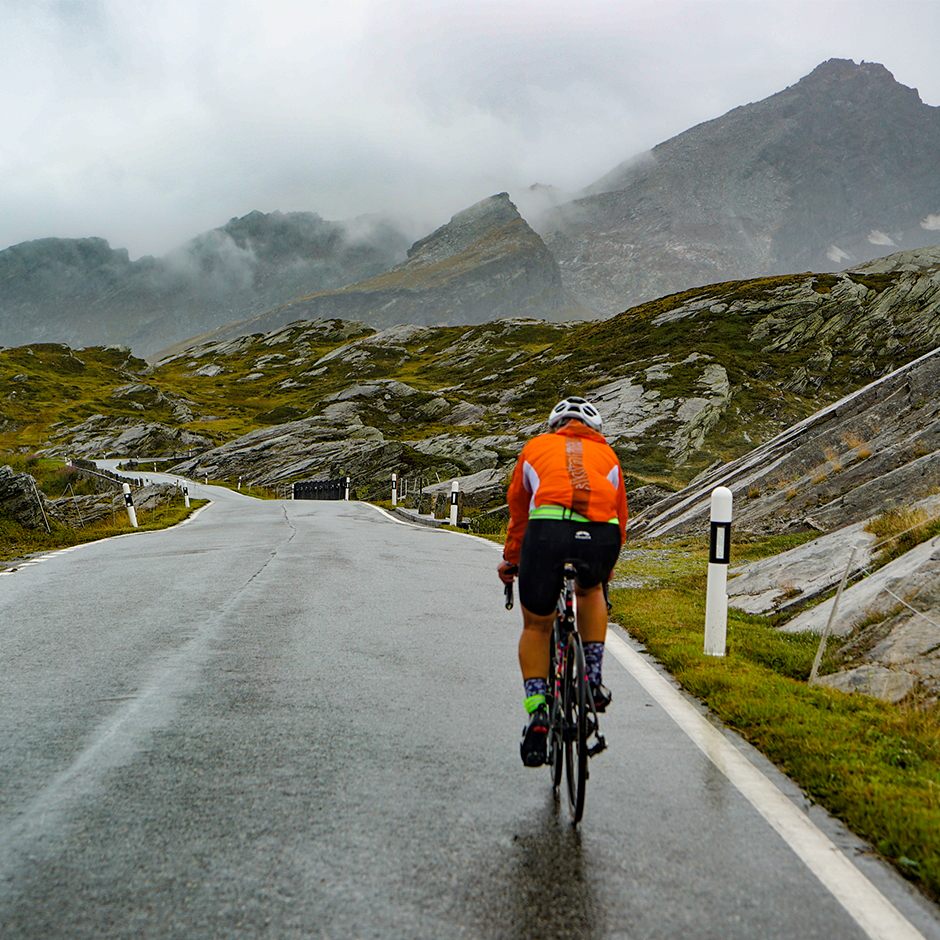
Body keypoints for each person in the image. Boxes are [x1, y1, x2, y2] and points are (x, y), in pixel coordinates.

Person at [498, 396, 628, 767]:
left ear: (555, 426)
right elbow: (620, 517)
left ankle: (538, 710)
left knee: (537, 626)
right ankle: (594, 677)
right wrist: (606, 569)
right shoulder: (610, 457)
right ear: (595, 431)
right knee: (589, 590)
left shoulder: (535, 447)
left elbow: (519, 513)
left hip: (546, 533)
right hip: (601, 536)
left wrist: (511, 560)